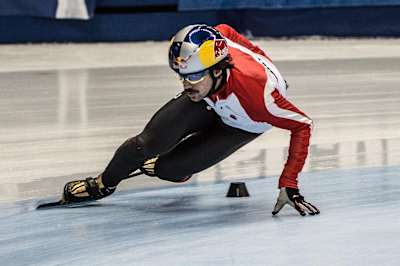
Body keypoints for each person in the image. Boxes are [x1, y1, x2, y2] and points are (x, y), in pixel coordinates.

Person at [62, 24, 320, 216]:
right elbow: (225, 31)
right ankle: (102, 185)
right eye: (182, 76)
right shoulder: (210, 54)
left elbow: (303, 125)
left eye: (194, 76)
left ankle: (176, 166)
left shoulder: (262, 98)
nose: (187, 84)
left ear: (218, 70)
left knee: (166, 169)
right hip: (210, 99)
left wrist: (289, 183)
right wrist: (262, 59)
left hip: (241, 123)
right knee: (144, 145)